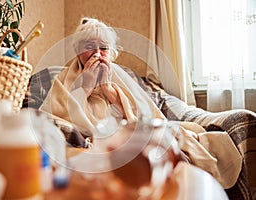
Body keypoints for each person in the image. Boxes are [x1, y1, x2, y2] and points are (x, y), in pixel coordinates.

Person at [39, 17, 241, 190]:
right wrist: (84, 88)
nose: (97, 54)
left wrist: (111, 92)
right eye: (89, 47)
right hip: (101, 142)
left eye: (103, 48)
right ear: (77, 50)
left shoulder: (119, 74)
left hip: (132, 134)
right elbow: (57, 117)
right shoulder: (64, 79)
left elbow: (148, 116)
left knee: (169, 141)